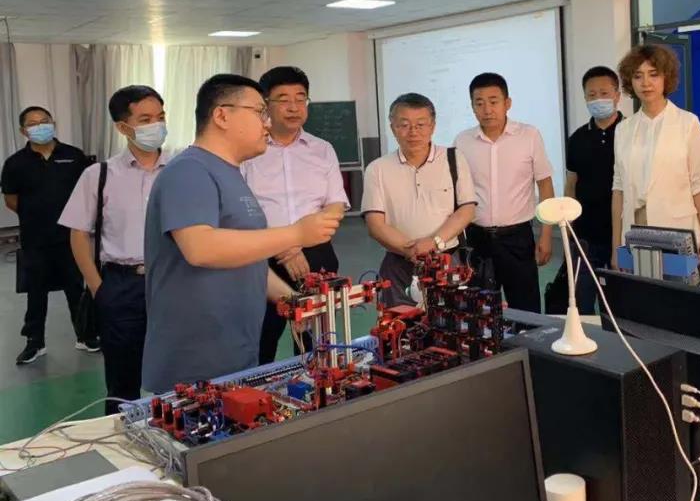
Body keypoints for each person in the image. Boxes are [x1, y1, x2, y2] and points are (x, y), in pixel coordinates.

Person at [141, 74, 342, 393]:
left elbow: (249, 259)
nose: (267, 123)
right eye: (259, 112)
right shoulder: (189, 171)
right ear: (222, 116)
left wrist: (293, 301)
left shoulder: (231, 175)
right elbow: (201, 248)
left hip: (235, 348)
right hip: (197, 357)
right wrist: (295, 234)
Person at [59, 86, 168, 413]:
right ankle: (122, 437)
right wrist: (98, 288)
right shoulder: (100, 175)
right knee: (123, 382)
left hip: (173, 282)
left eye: (161, 117)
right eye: (145, 119)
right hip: (122, 285)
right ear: (123, 127)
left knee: (178, 375)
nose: (156, 125)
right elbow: (79, 234)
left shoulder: (180, 170)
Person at [242, 66, 349, 365]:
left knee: (317, 343)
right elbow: (241, 211)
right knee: (261, 340)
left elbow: (335, 205)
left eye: (300, 99)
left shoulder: (322, 149)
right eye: (283, 99)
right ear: (265, 105)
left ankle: (315, 389)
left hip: (317, 256)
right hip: (263, 258)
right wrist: (286, 247)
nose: (293, 107)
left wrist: (299, 242)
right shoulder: (249, 152)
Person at [362, 93, 477, 306]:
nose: (413, 132)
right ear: (392, 127)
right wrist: (410, 250)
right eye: (404, 125)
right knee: (400, 321)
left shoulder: (453, 158)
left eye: (421, 124)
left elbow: (467, 210)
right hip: (398, 264)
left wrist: (434, 242)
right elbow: (375, 224)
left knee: (449, 320)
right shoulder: (377, 169)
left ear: (432, 126)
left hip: (447, 259)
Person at [1, 106, 95, 365]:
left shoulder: (74, 156)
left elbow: (87, 192)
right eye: (33, 123)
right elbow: (11, 200)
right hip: (35, 238)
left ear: (53, 123)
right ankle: (35, 342)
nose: (40, 126)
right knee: (36, 291)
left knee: (75, 287)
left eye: (45, 121)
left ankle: (85, 335)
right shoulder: (15, 163)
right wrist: (37, 214)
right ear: (23, 131)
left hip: (71, 237)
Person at [611, 43, 700, 276]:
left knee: (676, 293)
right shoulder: (624, 129)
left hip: (677, 230)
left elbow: (699, 185)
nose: (646, 83)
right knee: (640, 295)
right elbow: (618, 190)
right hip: (635, 232)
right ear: (630, 81)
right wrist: (616, 245)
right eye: (638, 76)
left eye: (653, 74)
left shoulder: (688, 123)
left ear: (666, 78)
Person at [454, 73, 554, 313]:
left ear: (507, 103)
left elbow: (545, 185)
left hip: (517, 238)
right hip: (476, 239)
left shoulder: (529, 136)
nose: (487, 109)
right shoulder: (463, 141)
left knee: (526, 309)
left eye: (493, 101)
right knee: (478, 311)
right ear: (472, 106)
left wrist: (546, 235)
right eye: (479, 103)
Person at [563, 66, 624, 312]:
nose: (598, 99)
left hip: (623, 235)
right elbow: (571, 184)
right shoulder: (577, 138)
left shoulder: (630, 133)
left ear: (617, 95)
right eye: (591, 95)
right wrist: (569, 227)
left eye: (604, 93)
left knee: (619, 305)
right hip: (585, 237)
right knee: (582, 303)